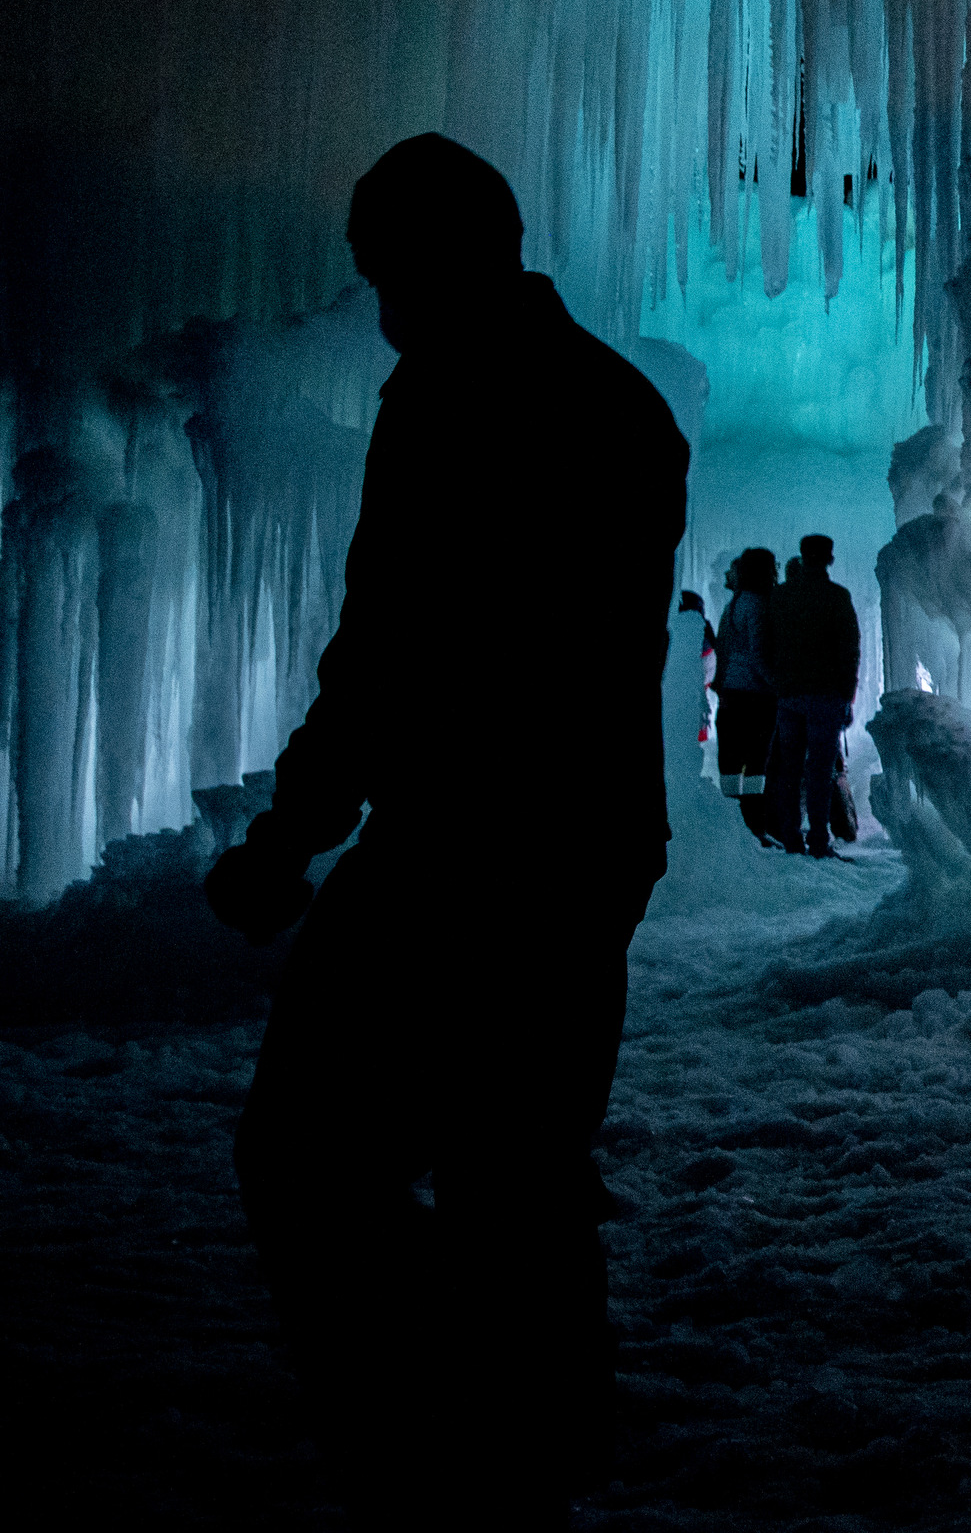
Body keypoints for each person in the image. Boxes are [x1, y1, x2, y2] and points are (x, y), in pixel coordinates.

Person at [201, 133, 688, 1527]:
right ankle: (529, 1437)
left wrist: (293, 836)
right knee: (515, 1166)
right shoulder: (618, 403)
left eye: (384, 277)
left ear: (442, 256)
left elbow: (392, 648)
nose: (381, 309)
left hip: (465, 843)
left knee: (307, 1157)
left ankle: (444, 1439)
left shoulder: (455, 399)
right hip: (584, 839)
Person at [764, 532, 861, 859]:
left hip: (789, 696)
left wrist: (777, 683)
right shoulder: (836, 597)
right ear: (829, 559)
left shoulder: (780, 597)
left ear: (802, 557)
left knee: (789, 770)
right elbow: (850, 651)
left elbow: (764, 647)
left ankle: (791, 836)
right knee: (820, 771)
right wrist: (846, 696)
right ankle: (819, 840)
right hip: (825, 697)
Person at [713, 548, 782, 847]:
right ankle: (754, 825)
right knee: (756, 762)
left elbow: (724, 649)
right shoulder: (756, 604)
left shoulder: (734, 604)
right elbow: (759, 653)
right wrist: (777, 683)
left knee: (731, 759)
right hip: (755, 695)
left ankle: (733, 823)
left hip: (732, 692)